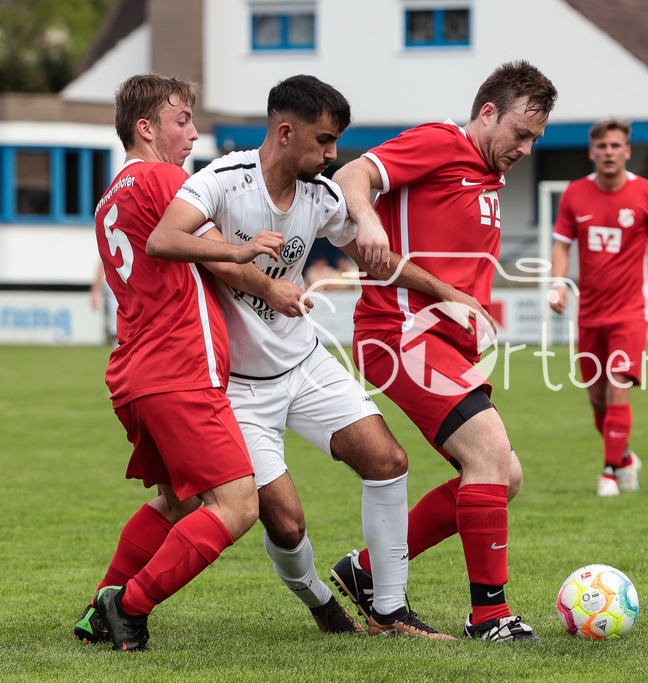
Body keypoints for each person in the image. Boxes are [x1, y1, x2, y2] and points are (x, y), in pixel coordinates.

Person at [149, 75, 484, 639]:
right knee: (286, 522)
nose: (333, 155)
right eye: (325, 141)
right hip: (237, 388)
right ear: (286, 132)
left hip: (305, 365)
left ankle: (390, 613)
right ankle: (323, 604)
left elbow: (379, 261)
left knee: (388, 462)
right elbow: (163, 238)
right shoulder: (223, 181)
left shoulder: (320, 195)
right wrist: (251, 270)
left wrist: (448, 294)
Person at [330, 60, 557, 642]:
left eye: (535, 138)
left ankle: (368, 568)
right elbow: (355, 172)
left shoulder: (487, 174)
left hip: (444, 343)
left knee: (504, 476)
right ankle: (490, 616)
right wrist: (365, 220)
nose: (526, 148)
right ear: (488, 113)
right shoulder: (440, 142)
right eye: (521, 134)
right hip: (399, 332)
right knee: (489, 452)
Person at [76, 73, 301, 652]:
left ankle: (98, 610)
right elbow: (218, 259)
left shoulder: (109, 197)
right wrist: (264, 278)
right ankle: (126, 605)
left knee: (178, 502)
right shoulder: (163, 177)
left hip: (138, 373)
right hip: (178, 370)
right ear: (145, 129)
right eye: (182, 122)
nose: (194, 134)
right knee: (236, 504)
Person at [547, 118, 648, 497]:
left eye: (615, 145)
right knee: (597, 398)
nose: (609, 152)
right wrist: (559, 285)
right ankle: (625, 458)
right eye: (602, 146)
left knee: (618, 386)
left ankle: (609, 471)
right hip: (589, 312)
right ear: (592, 152)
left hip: (631, 311)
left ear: (627, 151)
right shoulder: (574, 194)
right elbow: (561, 244)